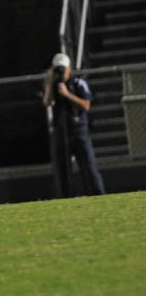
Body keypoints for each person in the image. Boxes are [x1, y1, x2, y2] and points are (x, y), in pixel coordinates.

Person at [43, 51, 105, 197]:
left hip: (78, 129)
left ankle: (97, 194)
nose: (61, 72)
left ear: (69, 68)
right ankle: (66, 197)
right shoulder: (53, 84)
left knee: (88, 165)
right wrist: (51, 82)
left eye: (62, 69)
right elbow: (47, 102)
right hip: (60, 129)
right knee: (62, 168)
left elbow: (86, 105)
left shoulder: (78, 83)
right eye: (58, 69)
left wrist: (68, 95)